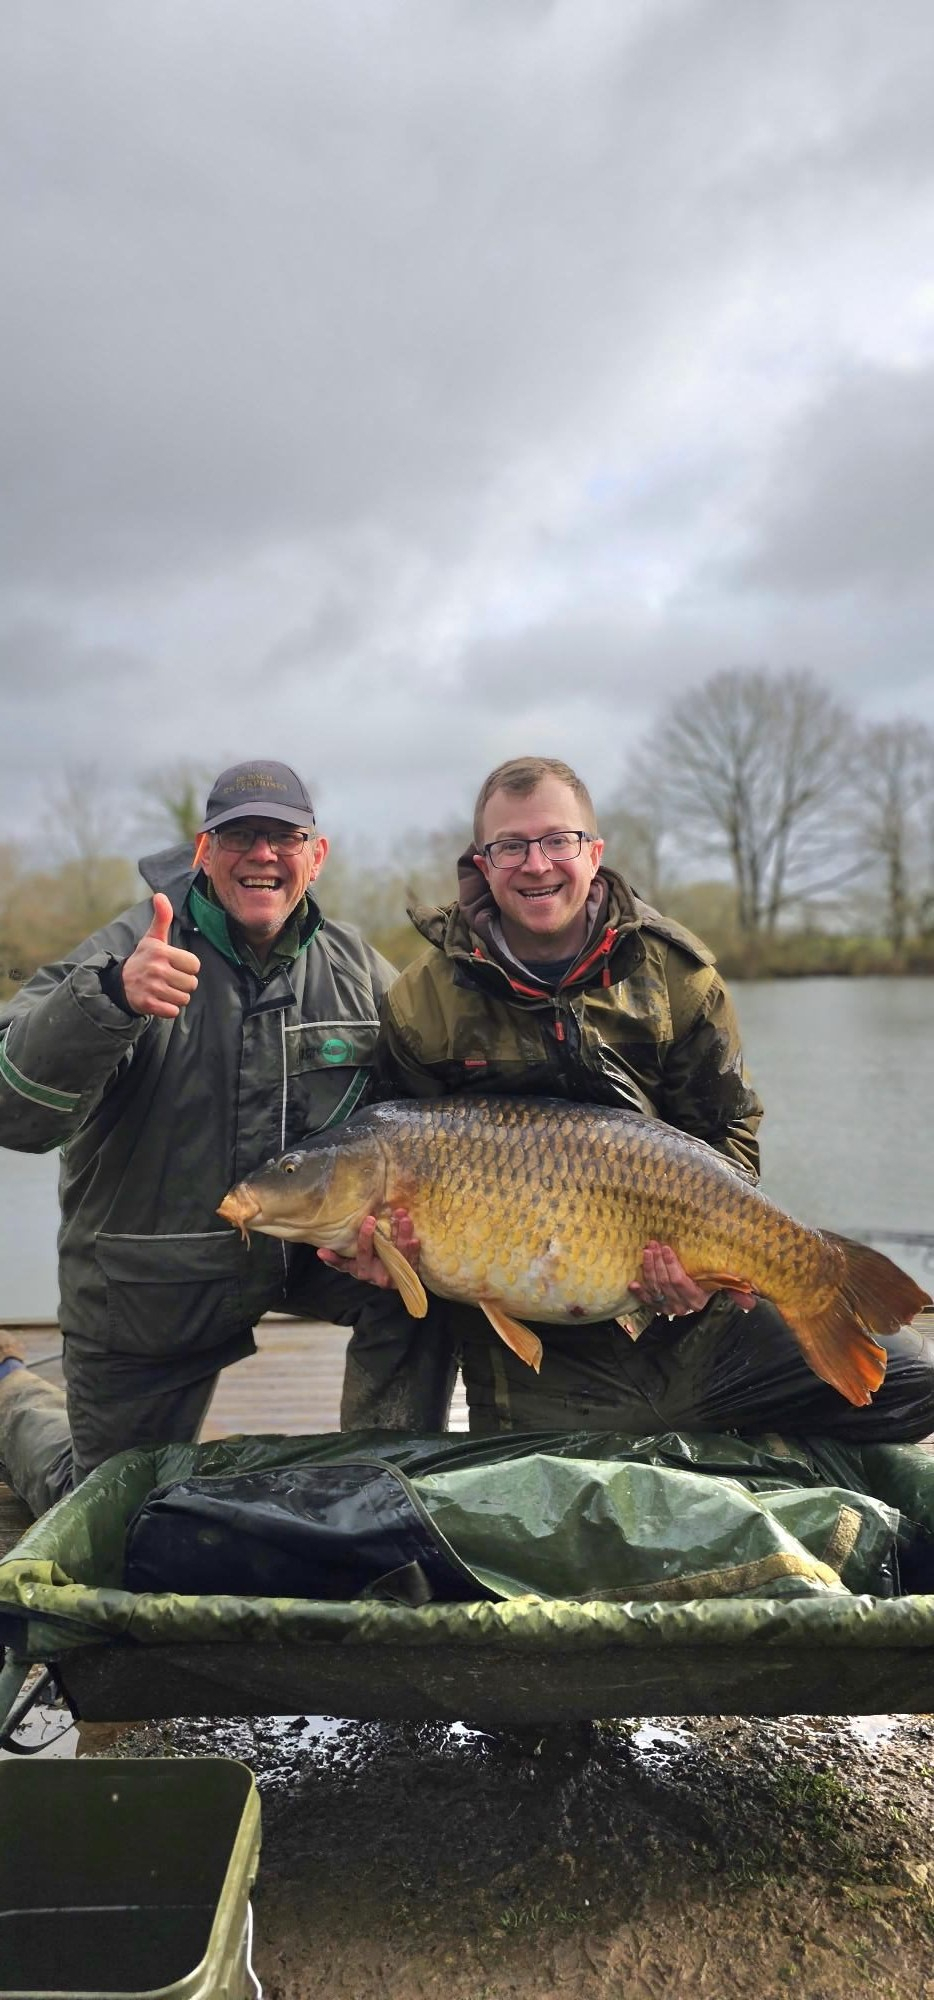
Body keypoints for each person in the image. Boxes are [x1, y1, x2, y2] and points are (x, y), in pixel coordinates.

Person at [356, 754, 934, 1440]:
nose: (536, 865)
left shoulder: (677, 976)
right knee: (549, 1493)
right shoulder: (423, 1001)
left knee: (913, 1384)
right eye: (510, 846)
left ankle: (750, 1408)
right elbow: (394, 1141)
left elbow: (730, 1138)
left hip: (693, 1313)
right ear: (482, 863)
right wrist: (388, 1251)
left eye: (558, 840)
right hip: (541, 1338)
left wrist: (701, 1267)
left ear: (594, 853)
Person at [0, 759, 454, 1519]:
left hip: (305, 1251)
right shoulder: (133, 947)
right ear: (204, 851)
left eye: (284, 837)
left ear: (316, 855)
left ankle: (380, 1493)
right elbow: (15, 1111)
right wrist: (110, 999)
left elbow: (426, 1118)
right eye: (240, 835)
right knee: (108, 1514)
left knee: (429, 1287)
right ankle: (11, 1395)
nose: (263, 854)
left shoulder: (356, 971)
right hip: (151, 1274)